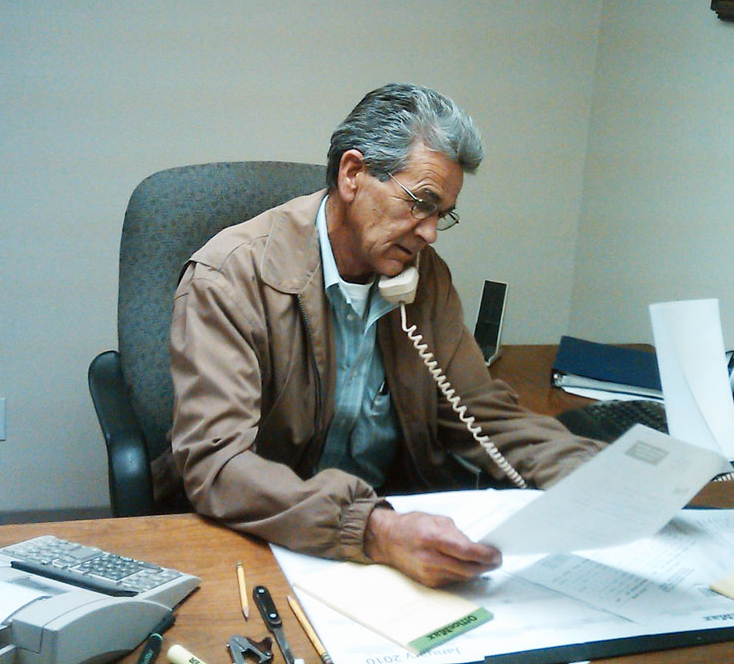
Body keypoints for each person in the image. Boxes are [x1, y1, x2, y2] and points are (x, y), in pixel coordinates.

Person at [159, 83, 602, 587]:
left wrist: (597, 478)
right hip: (261, 543)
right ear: (352, 175)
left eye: (443, 214)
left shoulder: (423, 278)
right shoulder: (231, 277)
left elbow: (483, 416)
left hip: (392, 539)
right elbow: (219, 464)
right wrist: (372, 529)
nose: (430, 233)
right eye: (421, 203)